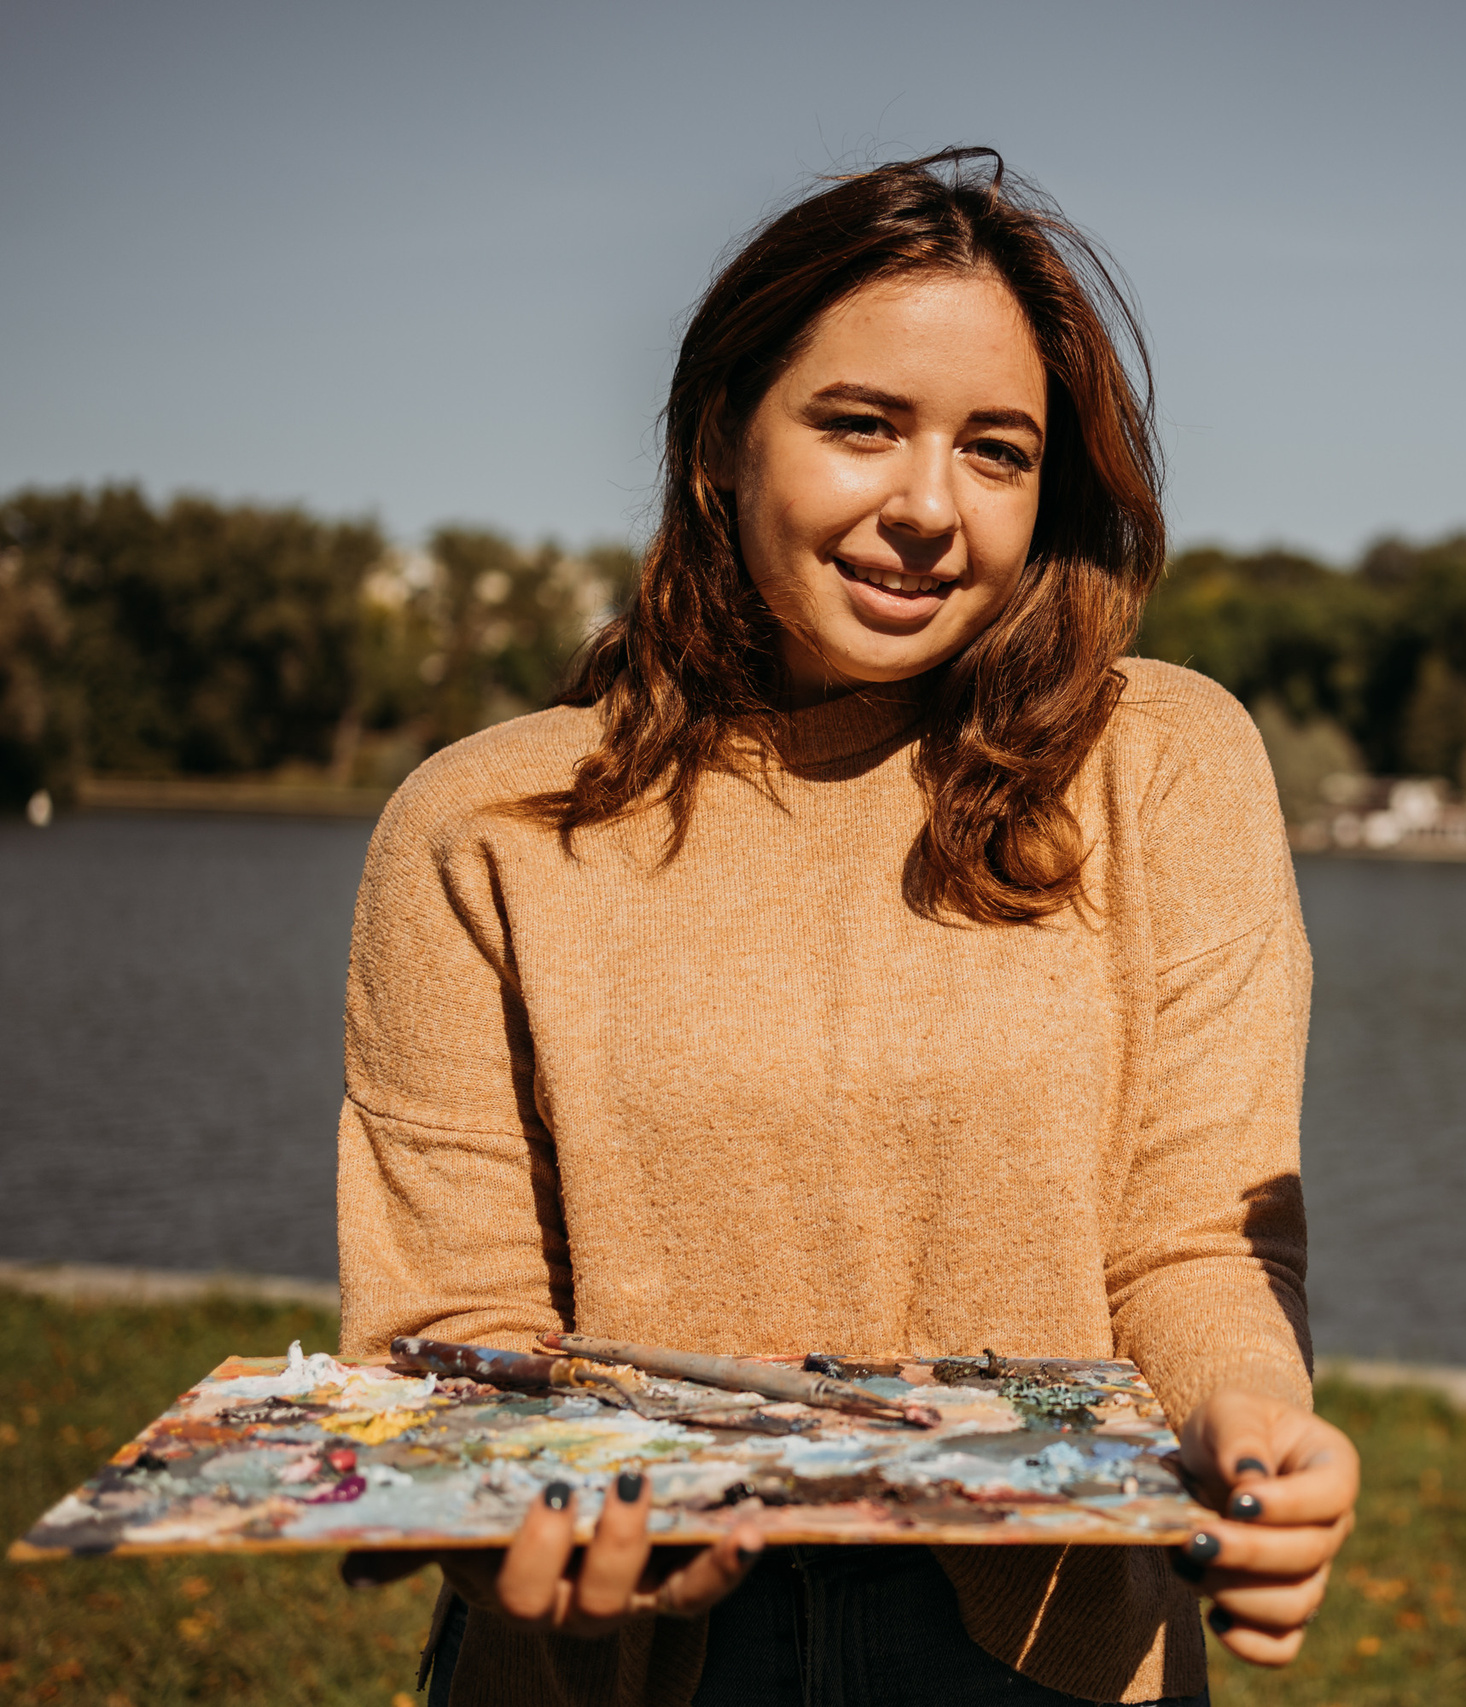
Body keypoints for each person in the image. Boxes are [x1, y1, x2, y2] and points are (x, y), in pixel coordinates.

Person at [335, 148, 1356, 1707]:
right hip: (607, 1668)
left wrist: (1252, 1425)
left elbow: (1197, 1244)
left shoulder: (1167, 763)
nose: (929, 509)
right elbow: (453, 1325)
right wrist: (503, 1512)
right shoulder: (479, 825)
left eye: (997, 451)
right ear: (721, 444)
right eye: (861, 425)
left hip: (1049, 1656)